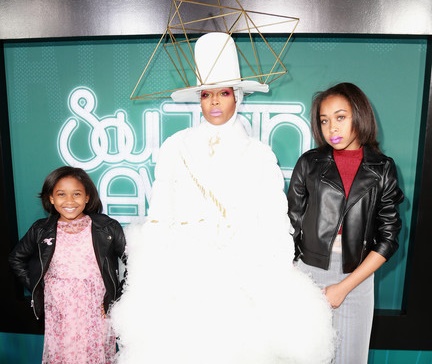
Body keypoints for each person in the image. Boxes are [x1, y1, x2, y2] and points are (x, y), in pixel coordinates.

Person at [111, 32, 335, 364]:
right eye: (206, 94)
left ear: (237, 97)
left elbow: (275, 219)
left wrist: (269, 272)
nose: (214, 102)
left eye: (224, 93)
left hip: (243, 273)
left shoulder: (259, 154)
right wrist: (157, 269)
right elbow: (160, 211)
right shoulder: (176, 146)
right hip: (184, 274)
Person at [287, 82, 404, 364]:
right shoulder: (309, 163)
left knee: (351, 358)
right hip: (307, 274)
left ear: (359, 116)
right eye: (324, 121)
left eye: (340, 117)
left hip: (357, 276)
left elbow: (389, 238)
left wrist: (344, 287)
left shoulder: (382, 168)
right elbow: (291, 223)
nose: (332, 128)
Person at [9, 166, 126, 364]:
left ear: (87, 197)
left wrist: (116, 298)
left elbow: (133, 262)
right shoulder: (41, 229)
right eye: (61, 194)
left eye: (77, 194)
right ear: (51, 199)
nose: (70, 201)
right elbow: (16, 258)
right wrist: (39, 289)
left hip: (95, 310)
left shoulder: (106, 227)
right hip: (60, 311)